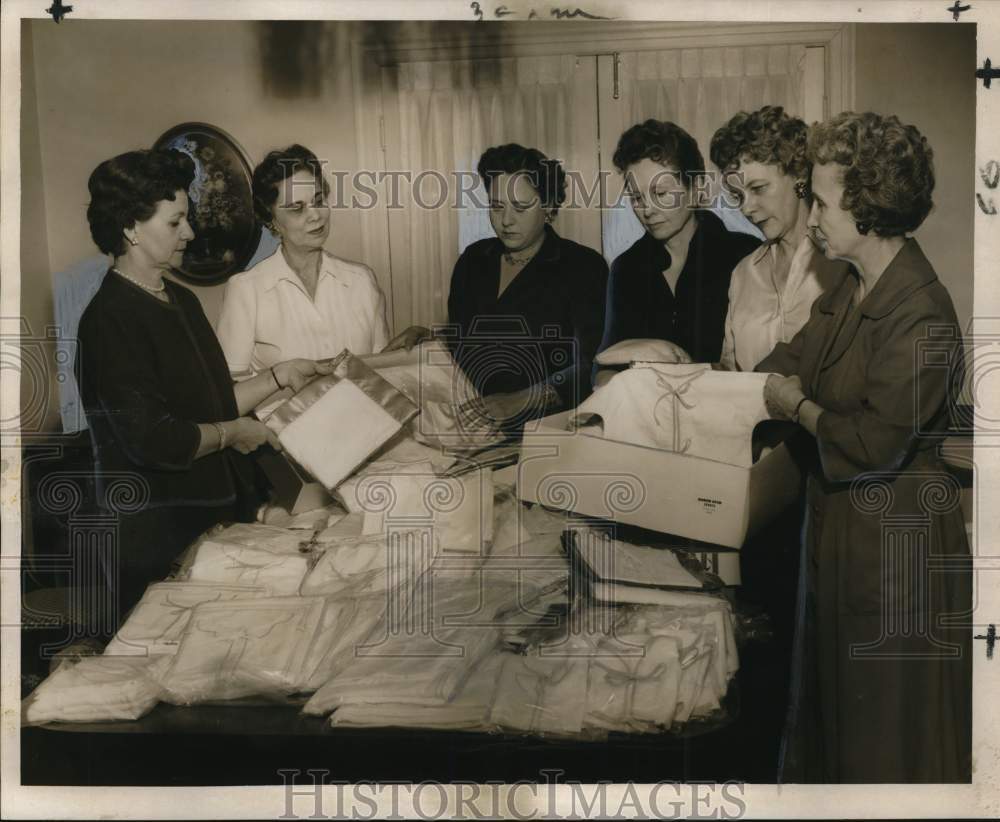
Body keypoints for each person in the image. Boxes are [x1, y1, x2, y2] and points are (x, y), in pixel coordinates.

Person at [758, 112, 971, 783]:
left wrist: (796, 405)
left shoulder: (922, 312)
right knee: (838, 731)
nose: (811, 216)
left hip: (894, 546)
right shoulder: (849, 289)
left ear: (868, 205)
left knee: (886, 739)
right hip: (843, 534)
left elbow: (873, 441)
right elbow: (787, 358)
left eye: (820, 201)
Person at [77, 149, 330, 628]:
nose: (189, 233)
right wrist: (233, 434)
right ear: (131, 229)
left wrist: (281, 374)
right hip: (152, 541)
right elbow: (155, 439)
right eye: (175, 224)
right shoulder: (109, 320)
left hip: (209, 529)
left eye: (186, 219)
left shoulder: (182, 300)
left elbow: (215, 403)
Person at [216, 144, 419, 377]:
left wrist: (409, 352)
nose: (315, 215)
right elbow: (232, 389)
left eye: (319, 200)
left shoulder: (362, 281)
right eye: (297, 209)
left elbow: (379, 374)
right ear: (271, 220)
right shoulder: (245, 290)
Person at [443, 143, 609, 427]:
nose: (506, 220)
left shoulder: (583, 267)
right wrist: (426, 342)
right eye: (497, 206)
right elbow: (460, 344)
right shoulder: (472, 260)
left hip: (549, 430)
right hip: (471, 427)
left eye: (520, 207)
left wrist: (524, 399)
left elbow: (593, 365)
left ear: (548, 207)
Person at [594, 119, 760, 383]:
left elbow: (758, 365)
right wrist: (604, 384)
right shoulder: (626, 268)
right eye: (637, 198)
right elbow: (608, 359)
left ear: (695, 190)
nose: (647, 210)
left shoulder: (745, 254)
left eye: (660, 193)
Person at [710, 105, 845, 372]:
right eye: (738, 197)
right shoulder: (743, 274)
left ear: (798, 176)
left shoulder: (843, 264)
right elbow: (730, 375)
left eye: (758, 189)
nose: (747, 208)